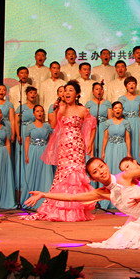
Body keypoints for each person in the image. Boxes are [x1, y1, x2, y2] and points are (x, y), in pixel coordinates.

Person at [25, 158, 140, 249]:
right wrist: (44, 194)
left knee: (139, 241)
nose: (101, 171)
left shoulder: (124, 177)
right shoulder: (102, 193)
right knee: (119, 241)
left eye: (101, 166)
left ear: (106, 165)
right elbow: (72, 198)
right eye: (95, 172)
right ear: (93, 178)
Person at [24, 81, 98, 221]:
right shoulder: (61, 108)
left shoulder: (82, 110)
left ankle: (76, 210)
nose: (67, 93)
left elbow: (93, 125)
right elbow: (53, 125)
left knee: (76, 176)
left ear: (77, 94)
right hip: (64, 146)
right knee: (63, 175)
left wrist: (89, 143)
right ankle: (60, 209)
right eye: (65, 90)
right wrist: (55, 110)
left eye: (70, 90)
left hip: (77, 146)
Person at [22, 104, 55, 203]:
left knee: (45, 173)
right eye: (37, 111)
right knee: (33, 172)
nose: (40, 113)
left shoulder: (47, 126)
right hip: (33, 151)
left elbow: (51, 140)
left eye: (41, 111)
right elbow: (27, 141)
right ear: (33, 113)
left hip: (45, 151)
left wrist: (51, 153)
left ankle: (46, 198)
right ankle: (31, 197)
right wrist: (26, 155)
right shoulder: (29, 127)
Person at [118, 76, 140, 159]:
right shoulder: (121, 99)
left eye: (133, 83)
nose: (131, 85)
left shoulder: (139, 98)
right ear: (126, 86)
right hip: (126, 122)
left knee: (137, 142)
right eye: (129, 84)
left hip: (137, 123)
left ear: (136, 85)